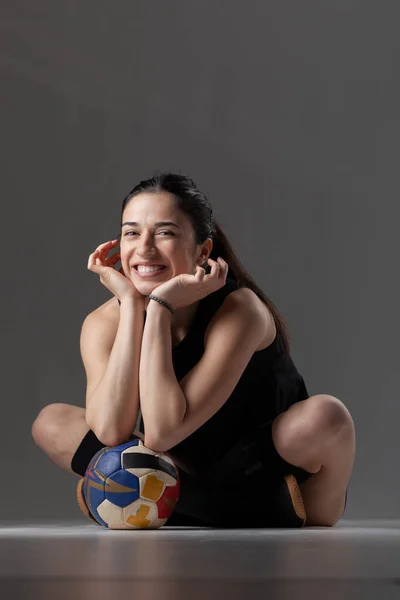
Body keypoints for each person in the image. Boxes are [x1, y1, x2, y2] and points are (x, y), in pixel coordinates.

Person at [32, 172, 355, 528]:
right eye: (131, 232)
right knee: (51, 423)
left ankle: (161, 503)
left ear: (203, 250)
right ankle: (235, 510)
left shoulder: (240, 310)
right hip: (181, 465)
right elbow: (111, 430)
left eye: (165, 232)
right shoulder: (103, 322)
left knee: (326, 416)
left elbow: (159, 434)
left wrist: (158, 307)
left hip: (266, 464)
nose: (144, 248)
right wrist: (131, 305)